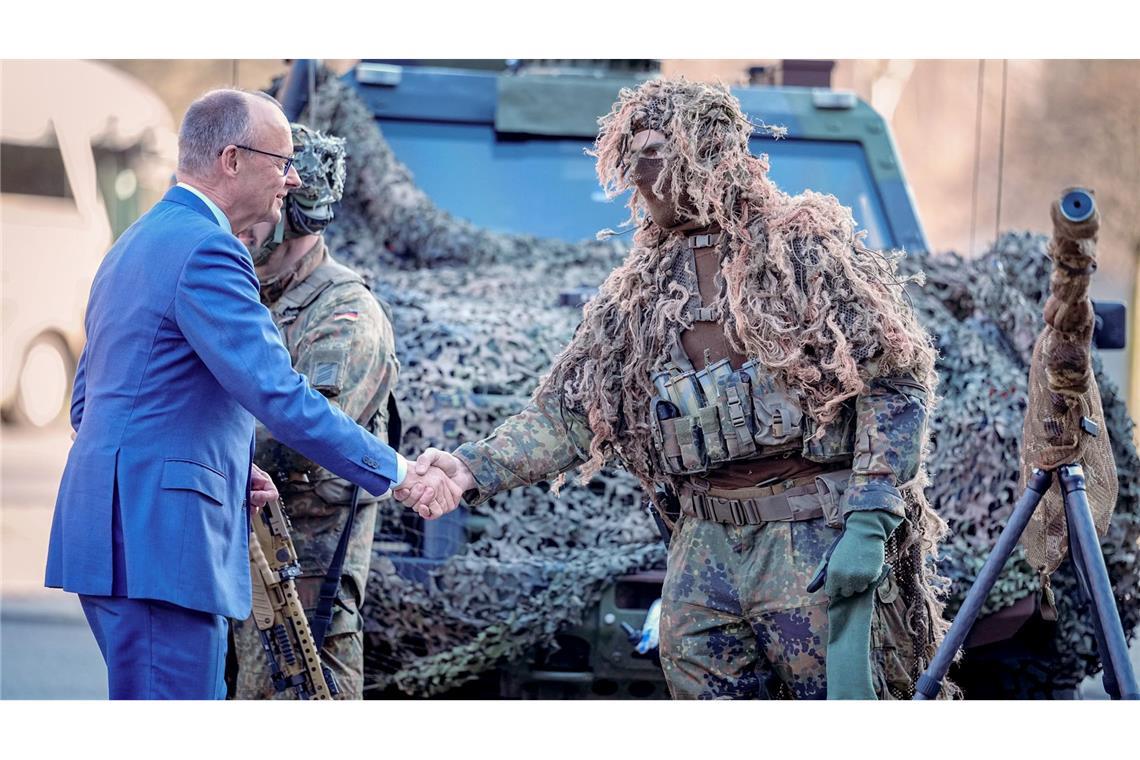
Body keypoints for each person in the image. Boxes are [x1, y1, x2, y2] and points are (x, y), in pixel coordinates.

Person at [400, 79, 951, 699]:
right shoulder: (640, 289)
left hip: (808, 537)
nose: (637, 170)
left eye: (655, 150)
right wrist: (471, 468)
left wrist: (870, 520)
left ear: (705, 151)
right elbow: (573, 413)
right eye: (629, 152)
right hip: (704, 549)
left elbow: (893, 376)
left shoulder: (802, 249)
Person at [45, 89, 455, 700]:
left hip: (114, 539)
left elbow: (94, 405)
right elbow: (279, 393)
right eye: (281, 161)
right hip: (165, 547)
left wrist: (228, 467)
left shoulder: (135, 242)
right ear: (232, 159)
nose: (291, 180)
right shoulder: (210, 251)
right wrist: (398, 471)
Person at [229, 123, 399, 700]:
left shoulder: (346, 314)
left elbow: (297, 435)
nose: (238, 224)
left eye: (261, 203)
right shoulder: (246, 292)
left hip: (303, 590)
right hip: (238, 561)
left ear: (297, 213)